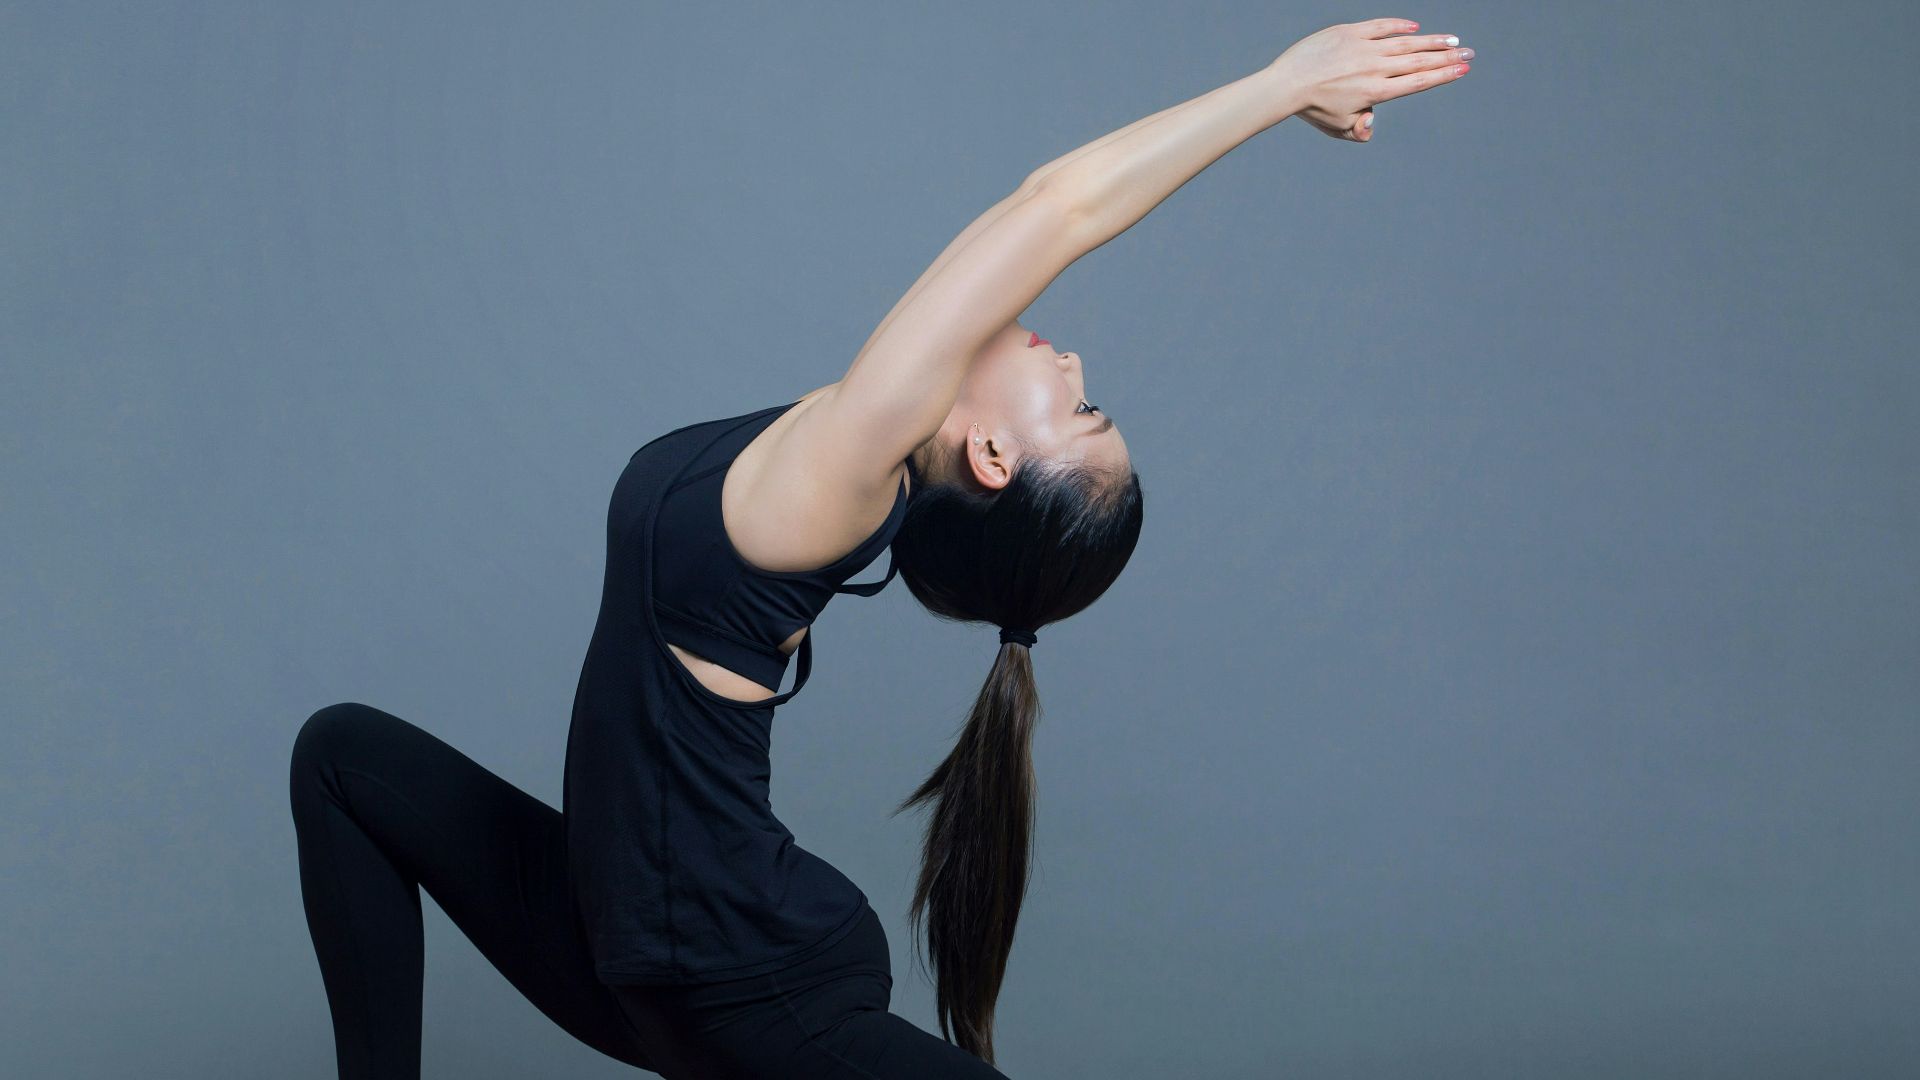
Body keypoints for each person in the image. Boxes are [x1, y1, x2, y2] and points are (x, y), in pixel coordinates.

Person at [288, 19, 1472, 1078]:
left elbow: (1053, 210)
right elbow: (1024, 234)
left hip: (742, 988)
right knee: (343, 758)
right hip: (615, 949)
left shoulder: (842, 481)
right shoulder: (848, 438)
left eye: (1081, 406)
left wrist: (1277, 86)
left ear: (997, 460)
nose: (1069, 362)